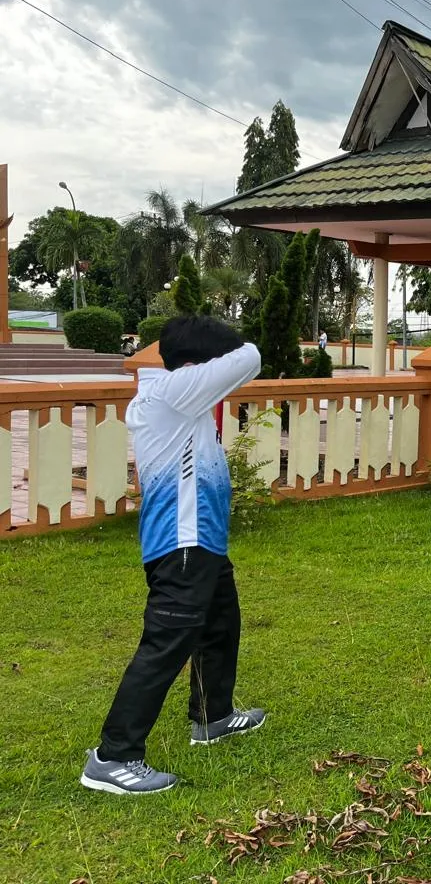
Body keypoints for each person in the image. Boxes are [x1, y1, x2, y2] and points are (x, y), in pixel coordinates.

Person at [81, 317, 266, 795]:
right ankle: (113, 756)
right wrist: (230, 344)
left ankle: (213, 716)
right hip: (183, 542)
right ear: (191, 366)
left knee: (221, 625)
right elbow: (250, 357)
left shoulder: (172, 394)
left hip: (201, 541)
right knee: (166, 644)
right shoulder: (173, 393)